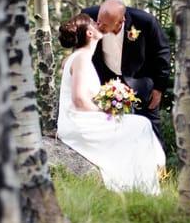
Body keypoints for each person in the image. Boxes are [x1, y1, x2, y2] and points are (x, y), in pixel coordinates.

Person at [56, 13, 165, 195]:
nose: (97, 24)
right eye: (93, 23)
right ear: (90, 33)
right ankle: (143, 187)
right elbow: (79, 100)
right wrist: (106, 110)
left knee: (138, 125)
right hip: (79, 124)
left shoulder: (80, 57)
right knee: (142, 125)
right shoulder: (81, 59)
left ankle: (141, 183)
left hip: (82, 119)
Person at [82, 0, 171, 146]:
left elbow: (162, 52)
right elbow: (80, 47)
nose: (99, 26)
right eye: (99, 21)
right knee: (105, 126)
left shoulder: (145, 22)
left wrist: (159, 88)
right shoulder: (88, 16)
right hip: (104, 80)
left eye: (105, 24)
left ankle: (158, 166)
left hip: (139, 79)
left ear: (120, 21)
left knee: (150, 126)